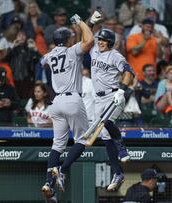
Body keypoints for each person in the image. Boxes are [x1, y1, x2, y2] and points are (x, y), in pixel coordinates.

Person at [40, 14, 94, 202]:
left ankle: (49, 183)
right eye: (70, 37)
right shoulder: (72, 51)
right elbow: (89, 40)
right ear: (66, 40)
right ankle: (61, 172)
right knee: (84, 140)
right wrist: (81, 22)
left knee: (57, 145)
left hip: (56, 103)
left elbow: (42, 61)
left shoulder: (49, 55)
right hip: (72, 100)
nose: (73, 38)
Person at [89, 12, 134, 191]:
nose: (100, 42)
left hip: (114, 95)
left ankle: (122, 148)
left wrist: (122, 90)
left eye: (103, 40)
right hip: (98, 98)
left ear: (110, 42)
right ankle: (118, 173)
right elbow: (85, 34)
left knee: (106, 121)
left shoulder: (115, 56)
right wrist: (91, 22)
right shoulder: (94, 50)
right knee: (105, 136)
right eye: (99, 39)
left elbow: (129, 72)